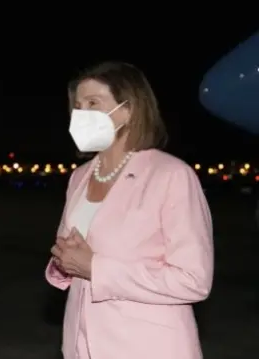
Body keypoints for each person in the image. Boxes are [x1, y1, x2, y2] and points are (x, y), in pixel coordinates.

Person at [46, 61, 214, 359]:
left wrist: (95, 268)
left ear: (128, 109)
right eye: (77, 105)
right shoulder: (80, 177)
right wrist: (64, 263)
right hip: (80, 345)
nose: (81, 114)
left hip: (147, 346)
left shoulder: (170, 175)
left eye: (93, 103)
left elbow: (193, 280)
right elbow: (77, 258)